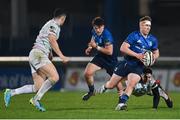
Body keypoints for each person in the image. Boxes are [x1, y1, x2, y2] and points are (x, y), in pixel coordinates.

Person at [4, 8, 69, 112]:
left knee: (38, 87)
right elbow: (52, 40)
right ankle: (36, 100)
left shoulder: (49, 24)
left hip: (35, 54)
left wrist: (50, 53)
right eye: (64, 19)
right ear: (62, 18)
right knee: (55, 77)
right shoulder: (55, 26)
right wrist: (61, 55)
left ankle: (11, 92)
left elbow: (46, 39)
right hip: (38, 54)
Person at [96, 16, 160, 110]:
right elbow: (123, 48)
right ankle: (105, 86)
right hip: (126, 63)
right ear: (140, 25)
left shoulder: (153, 39)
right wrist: (137, 55)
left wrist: (153, 58)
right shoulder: (134, 35)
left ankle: (121, 104)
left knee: (131, 84)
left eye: (149, 26)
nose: (148, 27)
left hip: (138, 66)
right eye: (146, 25)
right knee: (111, 85)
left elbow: (156, 52)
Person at [97, 68, 173, 109]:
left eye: (150, 76)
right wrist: (122, 91)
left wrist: (154, 108)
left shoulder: (152, 81)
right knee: (124, 93)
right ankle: (121, 105)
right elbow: (121, 82)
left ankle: (168, 98)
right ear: (143, 75)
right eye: (147, 76)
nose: (149, 78)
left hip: (147, 90)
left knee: (169, 104)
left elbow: (156, 95)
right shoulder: (134, 78)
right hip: (136, 90)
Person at [82, 17, 118, 101]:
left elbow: (110, 52)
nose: (97, 30)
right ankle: (91, 91)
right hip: (100, 57)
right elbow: (93, 40)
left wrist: (96, 47)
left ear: (103, 26)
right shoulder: (94, 31)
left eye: (99, 28)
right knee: (87, 73)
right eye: (96, 28)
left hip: (110, 60)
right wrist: (90, 47)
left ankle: (122, 101)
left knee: (117, 82)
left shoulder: (107, 35)